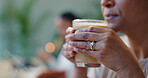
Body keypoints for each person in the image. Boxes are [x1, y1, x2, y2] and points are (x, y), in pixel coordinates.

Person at [63, 0, 148, 78]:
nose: (104, 2)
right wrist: (80, 67)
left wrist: (126, 67)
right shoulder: (108, 49)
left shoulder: (112, 50)